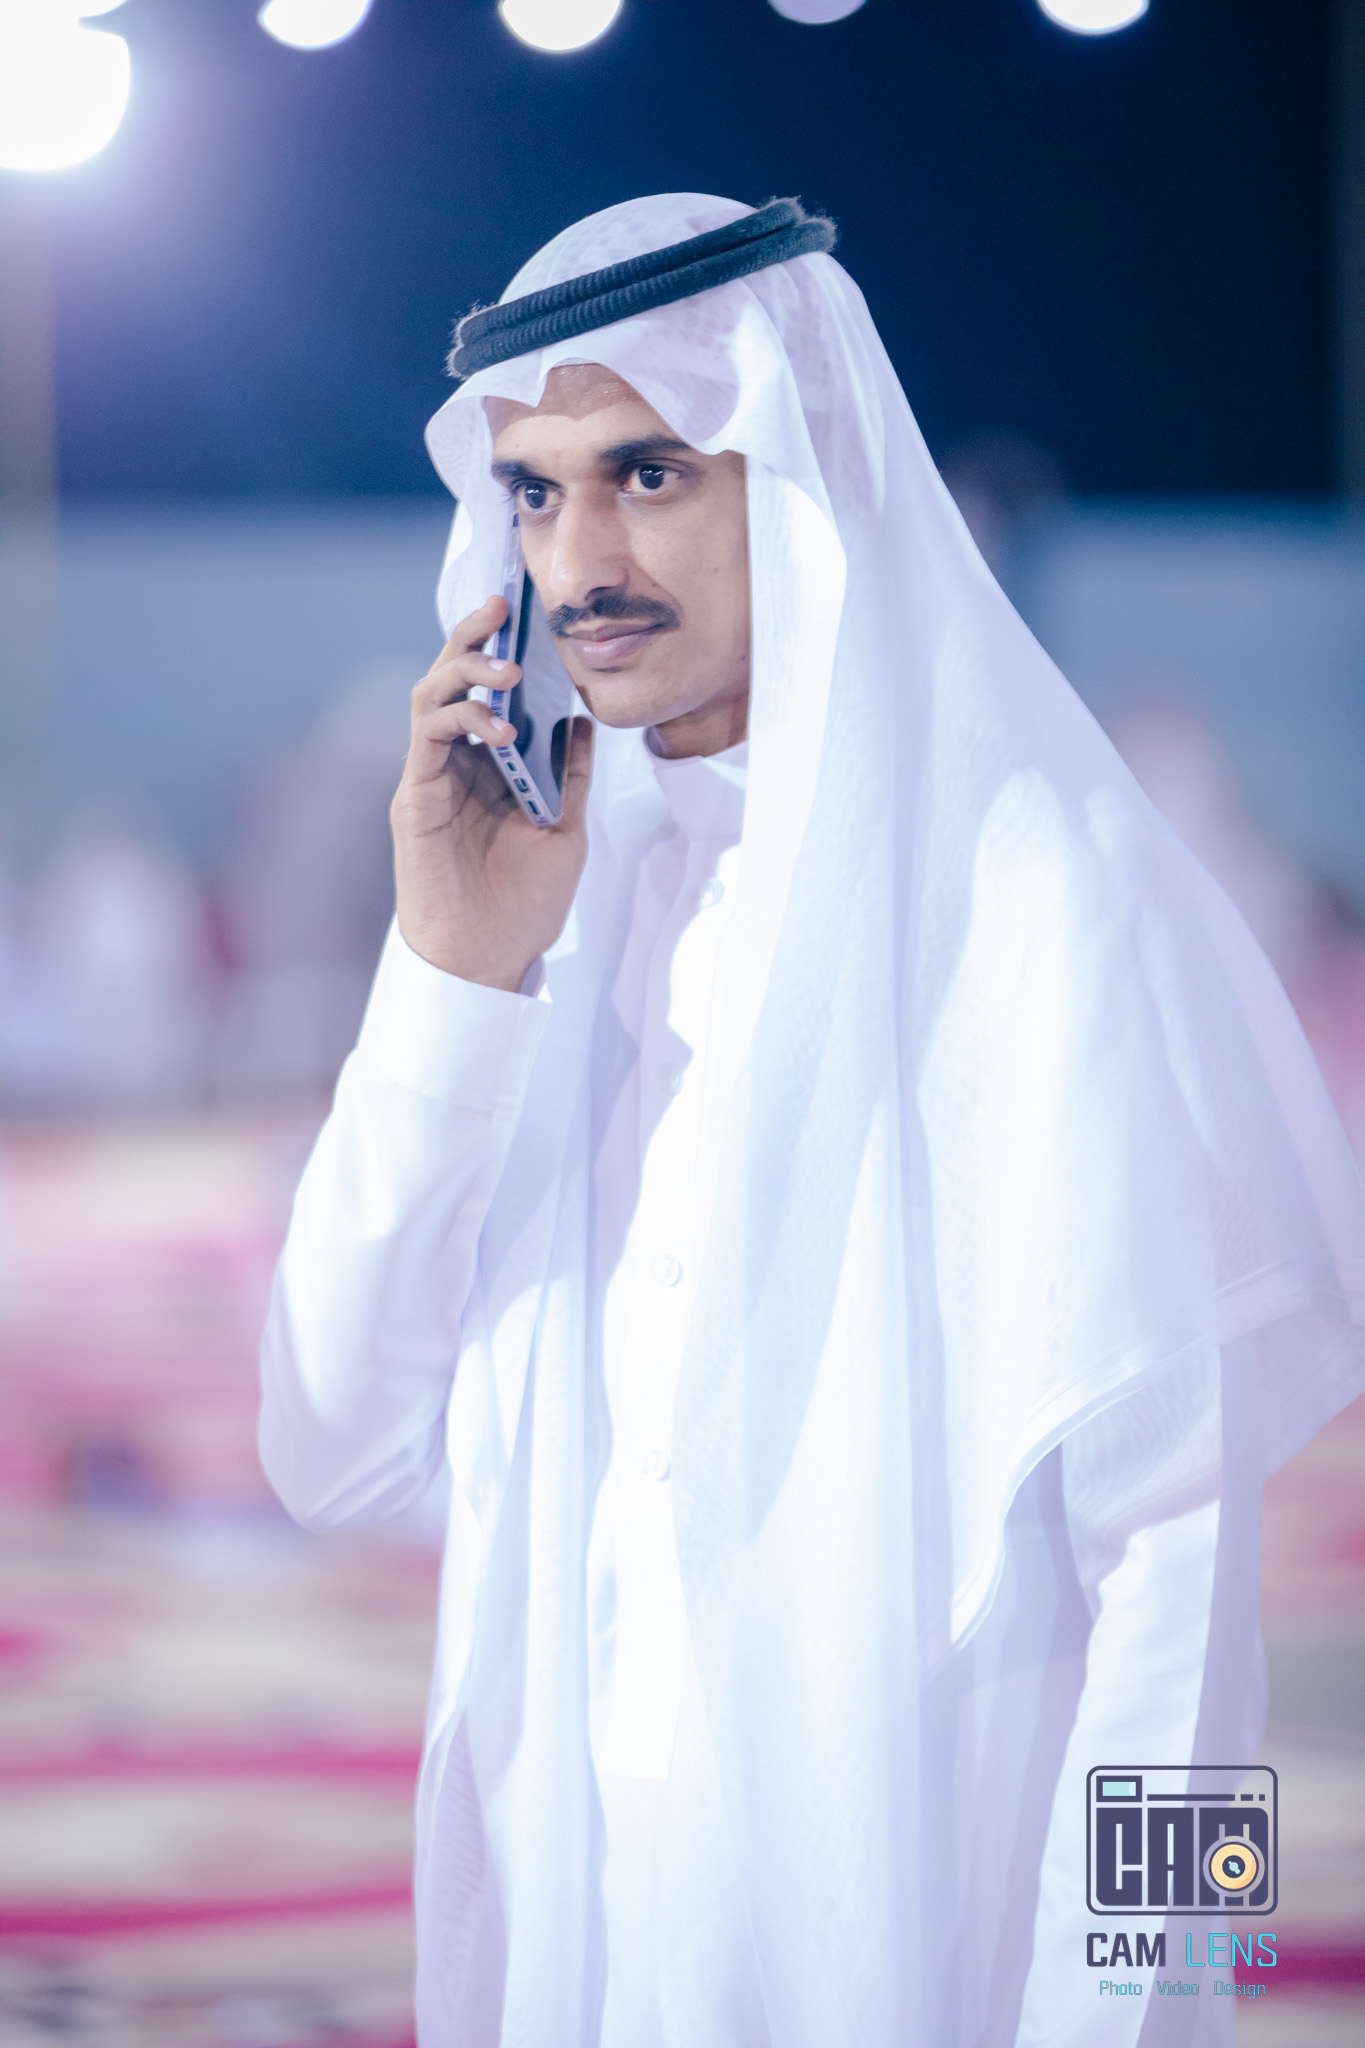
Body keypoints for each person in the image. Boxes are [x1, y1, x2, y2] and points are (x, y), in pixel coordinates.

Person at [259, 196, 1365, 2047]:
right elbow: (329, 1448)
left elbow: (1185, 1643)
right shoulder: (545, 910)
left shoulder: (1044, 900)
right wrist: (450, 975)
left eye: (650, 474)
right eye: (534, 495)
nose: (581, 559)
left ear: (801, 472)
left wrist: (1145, 2018)